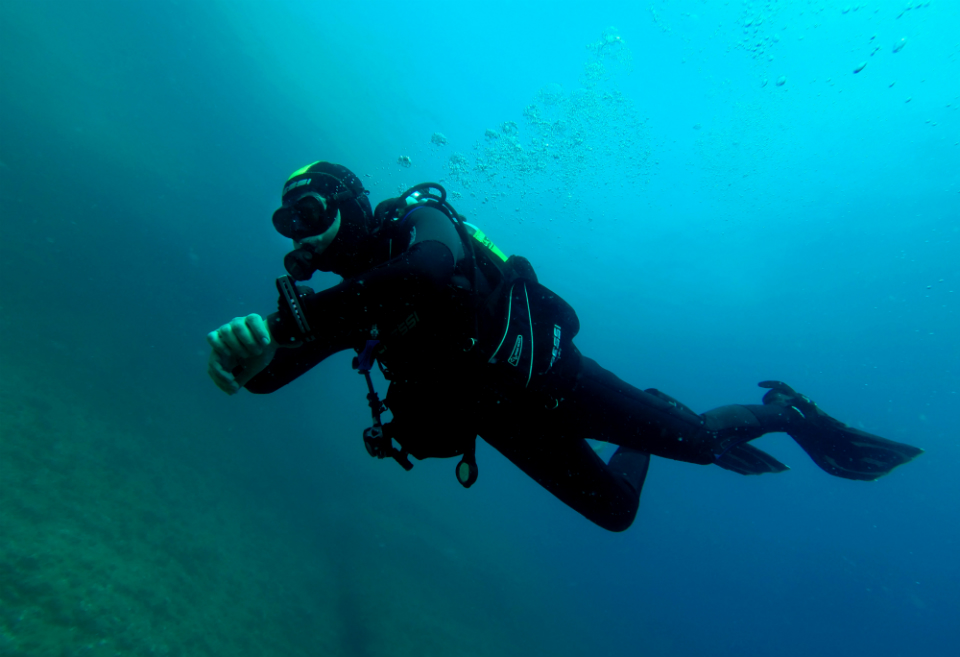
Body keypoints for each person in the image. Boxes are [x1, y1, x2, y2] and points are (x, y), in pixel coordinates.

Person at [207, 161, 923, 532]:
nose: (300, 234)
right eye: (287, 222)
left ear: (352, 201)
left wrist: (280, 327)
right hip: (504, 417)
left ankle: (788, 411)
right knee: (616, 511)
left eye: (310, 212)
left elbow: (427, 273)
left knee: (704, 443)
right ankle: (654, 411)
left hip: (557, 380)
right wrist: (244, 361)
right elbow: (270, 374)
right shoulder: (342, 305)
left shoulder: (415, 222)